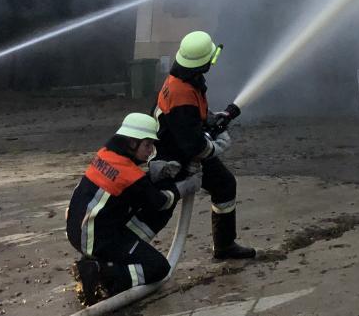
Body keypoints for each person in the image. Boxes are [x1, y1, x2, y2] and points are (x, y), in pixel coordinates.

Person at [66, 112, 198, 306]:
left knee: (153, 211)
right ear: (131, 142)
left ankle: (110, 261)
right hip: (96, 240)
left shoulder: (106, 154)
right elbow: (161, 201)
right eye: (147, 145)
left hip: (80, 231)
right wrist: (185, 186)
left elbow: (137, 190)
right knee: (158, 268)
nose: (150, 150)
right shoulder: (130, 175)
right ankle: (103, 275)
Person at [153, 30, 255, 260]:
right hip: (173, 159)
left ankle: (225, 245)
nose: (213, 61)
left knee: (224, 184)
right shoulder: (181, 93)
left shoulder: (187, 79)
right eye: (211, 58)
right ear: (203, 63)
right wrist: (217, 146)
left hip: (180, 147)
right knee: (160, 206)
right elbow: (194, 146)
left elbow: (190, 117)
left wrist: (210, 118)